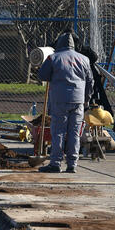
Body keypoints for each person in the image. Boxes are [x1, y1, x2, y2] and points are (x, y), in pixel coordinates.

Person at [37, 31, 93, 173]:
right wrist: (86, 99)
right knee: (75, 132)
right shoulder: (84, 59)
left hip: (60, 99)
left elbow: (42, 75)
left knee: (58, 132)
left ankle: (55, 163)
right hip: (78, 100)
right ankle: (72, 164)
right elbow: (90, 81)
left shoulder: (53, 58)